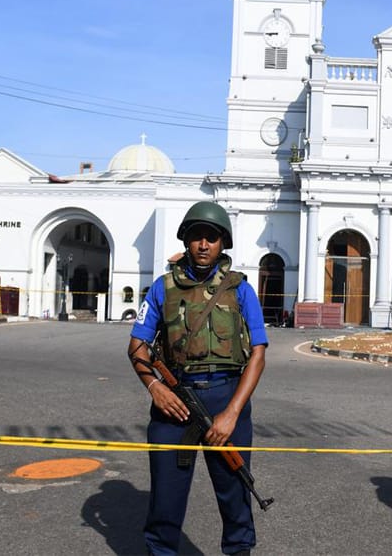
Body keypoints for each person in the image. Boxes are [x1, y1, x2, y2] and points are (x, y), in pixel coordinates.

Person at [128, 200, 268, 556]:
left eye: (212, 237)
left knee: (236, 497)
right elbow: (137, 348)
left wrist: (233, 413)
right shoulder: (162, 288)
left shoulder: (240, 290)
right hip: (175, 404)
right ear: (186, 241)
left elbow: (258, 354)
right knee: (165, 501)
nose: (203, 244)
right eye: (196, 237)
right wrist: (155, 387)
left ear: (223, 243)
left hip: (225, 398)